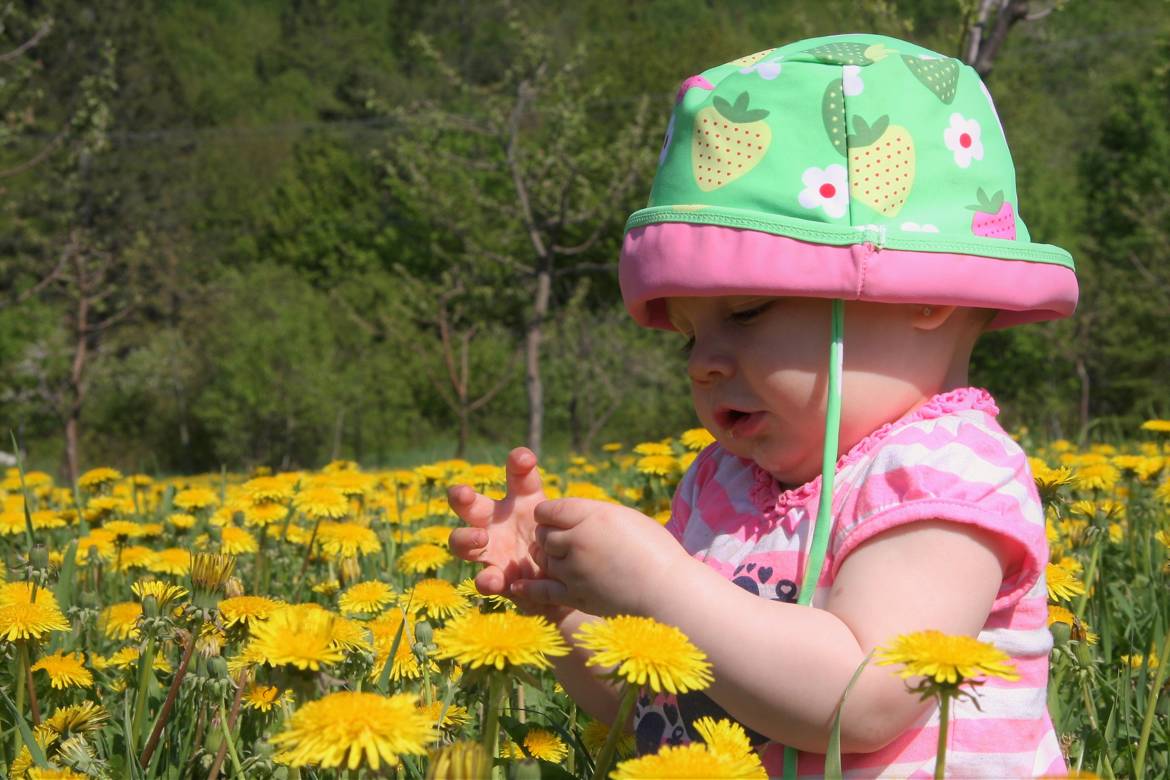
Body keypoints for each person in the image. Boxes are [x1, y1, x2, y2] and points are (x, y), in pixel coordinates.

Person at [449, 33, 1077, 778]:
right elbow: (648, 702)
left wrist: (662, 587)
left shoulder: (942, 476)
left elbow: (864, 700)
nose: (703, 363)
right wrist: (564, 606)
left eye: (744, 312)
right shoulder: (720, 485)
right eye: (687, 336)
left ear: (926, 296)